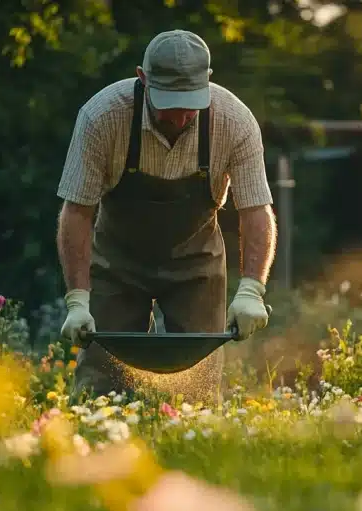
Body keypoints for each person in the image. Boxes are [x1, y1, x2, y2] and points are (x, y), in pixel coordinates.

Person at [55, 30, 277, 399]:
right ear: (142, 79)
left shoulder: (234, 121)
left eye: (190, 102)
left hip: (198, 263)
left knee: (199, 392)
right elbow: (77, 211)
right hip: (116, 263)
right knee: (100, 385)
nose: (181, 116)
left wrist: (252, 289)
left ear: (207, 82)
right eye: (169, 102)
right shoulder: (102, 117)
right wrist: (78, 300)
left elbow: (256, 210)